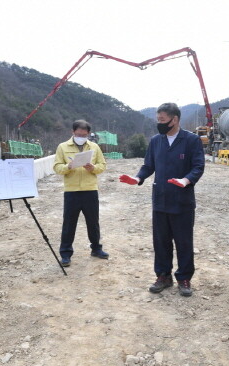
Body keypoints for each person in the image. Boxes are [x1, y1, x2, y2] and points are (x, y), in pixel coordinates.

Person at [119, 103, 205, 297]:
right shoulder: (156, 141)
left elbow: (198, 166)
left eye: (163, 120)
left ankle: (184, 278)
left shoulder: (191, 140)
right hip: (160, 200)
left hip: (182, 200)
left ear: (175, 119)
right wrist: (138, 178)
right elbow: (148, 165)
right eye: (158, 120)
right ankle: (163, 276)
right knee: (161, 241)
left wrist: (186, 180)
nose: (160, 124)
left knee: (183, 242)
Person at [53, 120, 108, 267]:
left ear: (88, 134)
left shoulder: (94, 147)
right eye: (78, 134)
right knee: (69, 223)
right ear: (72, 132)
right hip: (72, 191)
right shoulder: (63, 147)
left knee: (93, 222)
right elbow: (57, 167)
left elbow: (102, 166)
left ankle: (96, 248)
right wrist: (68, 166)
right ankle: (65, 254)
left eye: (84, 135)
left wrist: (93, 168)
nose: (81, 136)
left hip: (90, 190)